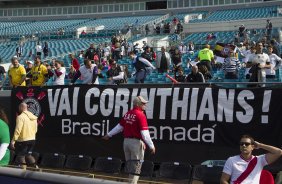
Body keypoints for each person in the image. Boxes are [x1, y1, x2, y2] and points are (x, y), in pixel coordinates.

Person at [102, 96, 156, 184]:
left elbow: (119, 127)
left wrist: (109, 135)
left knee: (130, 166)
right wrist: (151, 146)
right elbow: (145, 134)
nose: (145, 105)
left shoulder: (128, 113)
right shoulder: (141, 115)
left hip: (126, 142)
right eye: (143, 103)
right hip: (136, 143)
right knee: (136, 167)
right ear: (138, 104)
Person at [10, 103, 38, 169]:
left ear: (21, 107)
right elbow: (36, 129)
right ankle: (36, 169)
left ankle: (23, 172)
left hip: (24, 140)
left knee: (21, 156)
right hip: (32, 139)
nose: (19, 109)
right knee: (28, 155)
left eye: (19, 107)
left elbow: (18, 130)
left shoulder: (20, 117)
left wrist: (13, 141)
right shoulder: (34, 117)